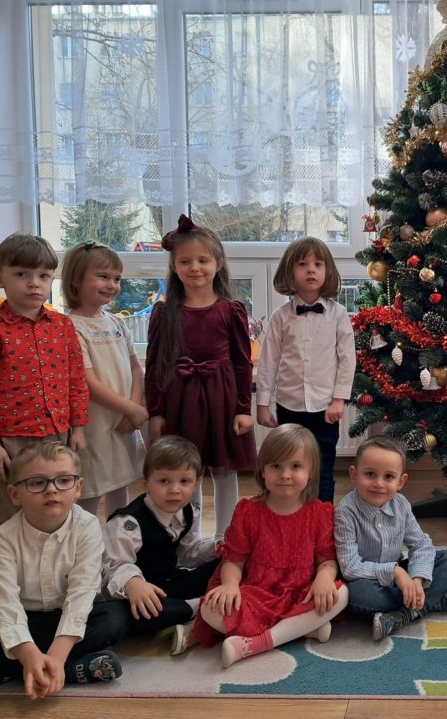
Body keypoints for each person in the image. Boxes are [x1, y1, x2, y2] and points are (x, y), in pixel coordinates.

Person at [0, 441, 126, 697]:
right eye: (36, 482)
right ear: (14, 494)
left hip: (70, 621)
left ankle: (9, 670)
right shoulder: (5, 536)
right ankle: (71, 668)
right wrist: (28, 654)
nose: (51, 489)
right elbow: (5, 602)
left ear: (78, 488)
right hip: (26, 621)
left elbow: (82, 593)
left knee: (115, 617)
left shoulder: (87, 526)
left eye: (63, 480)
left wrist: (57, 653)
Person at [194, 424, 348, 668]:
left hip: (301, 591)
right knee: (210, 608)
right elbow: (233, 560)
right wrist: (230, 586)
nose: (285, 474)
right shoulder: (248, 511)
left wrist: (324, 578)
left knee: (340, 595)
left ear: (311, 472)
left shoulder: (320, 513)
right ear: (262, 470)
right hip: (256, 592)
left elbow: (327, 559)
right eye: (276, 466)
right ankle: (298, 630)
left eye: (296, 466)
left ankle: (258, 642)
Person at [0, 233, 89, 542]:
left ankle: (54, 567)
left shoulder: (62, 326)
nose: (34, 283)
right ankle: (10, 570)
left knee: (56, 509)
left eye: (43, 276)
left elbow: (76, 380)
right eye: (22, 274)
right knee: (8, 512)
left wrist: (78, 427)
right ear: (0, 278)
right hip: (10, 441)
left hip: (58, 435)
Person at [145, 214, 256, 539]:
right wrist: (156, 413)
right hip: (180, 403)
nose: (195, 267)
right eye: (186, 261)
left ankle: (225, 539)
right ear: (174, 266)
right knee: (185, 469)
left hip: (222, 400)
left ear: (218, 264)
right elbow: (155, 366)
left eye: (203, 260)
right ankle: (189, 539)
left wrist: (243, 408)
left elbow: (242, 363)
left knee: (224, 472)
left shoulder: (231, 310)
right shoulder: (165, 312)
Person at [256, 236, 355, 503]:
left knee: (323, 469)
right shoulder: (280, 317)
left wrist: (339, 399)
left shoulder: (339, 314)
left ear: (327, 271)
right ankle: (292, 515)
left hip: (325, 408)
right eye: (303, 264)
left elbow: (347, 359)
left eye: (318, 264)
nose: (311, 270)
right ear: (290, 271)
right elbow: (268, 362)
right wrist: (262, 405)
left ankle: (322, 521)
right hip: (289, 406)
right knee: (289, 468)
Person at [102, 436, 219, 652]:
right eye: (164, 481)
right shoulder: (127, 523)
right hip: (138, 594)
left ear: (196, 484)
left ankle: (200, 605)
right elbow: (113, 567)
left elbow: (189, 554)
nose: (174, 489)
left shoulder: (189, 512)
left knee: (227, 563)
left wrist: (217, 548)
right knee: (137, 616)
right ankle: (199, 607)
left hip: (170, 581)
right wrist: (133, 583)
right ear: (146, 483)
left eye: (184, 481)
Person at [334, 436, 447, 641]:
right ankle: (432, 600)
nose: (378, 484)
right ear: (354, 474)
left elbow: (420, 544)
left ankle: (404, 614)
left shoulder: (401, 504)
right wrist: (395, 573)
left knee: (446, 559)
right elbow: (349, 567)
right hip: (368, 580)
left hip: (401, 577)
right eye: (370, 474)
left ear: (401, 481)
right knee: (355, 594)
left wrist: (417, 579)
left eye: (389, 477)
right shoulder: (345, 512)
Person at [61, 241, 146, 518]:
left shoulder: (117, 322)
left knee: (120, 485)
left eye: (117, 278)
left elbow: (136, 369)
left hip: (122, 423)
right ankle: (82, 542)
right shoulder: (69, 327)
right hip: (93, 426)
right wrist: (131, 408)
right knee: (90, 489)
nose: (112, 285)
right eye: (103, 276)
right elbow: (87, 381)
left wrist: (133, 409)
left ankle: (116, 540)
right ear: (76, 280)